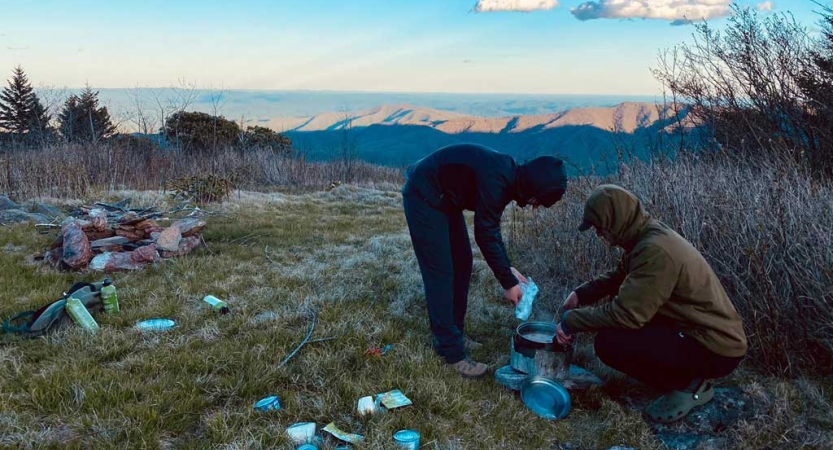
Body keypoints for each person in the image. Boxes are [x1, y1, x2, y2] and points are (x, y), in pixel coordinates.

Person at [556, 184, 747, 423]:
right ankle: (681, 375)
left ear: (614, 221)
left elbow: (626, 315)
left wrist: (571, 321)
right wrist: (582, 294)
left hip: (715, 347)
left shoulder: (655, 251)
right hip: (697, 331)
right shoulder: (645, 236)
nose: (598, 235)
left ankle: (690, 385)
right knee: (628, 330)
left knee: (610, 342)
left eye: (599, 228)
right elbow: (621, 276)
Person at [402, 143, 568, 378]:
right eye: (538, 201)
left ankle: (455, 334)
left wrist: (508, 271)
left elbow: (490, 230)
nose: (534, 207)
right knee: (441, 273)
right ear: (533, 188)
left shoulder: (507, 177)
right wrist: (508, 283)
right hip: (424, 195)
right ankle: (451, 354)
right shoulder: (498, 181)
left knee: (462, 263)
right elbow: (486, 234)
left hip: (445, 200)